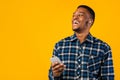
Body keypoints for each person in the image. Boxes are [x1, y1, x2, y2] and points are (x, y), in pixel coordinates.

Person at [49, 5, 114, 80]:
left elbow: (108, 77)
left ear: (90, 21)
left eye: (80, 15)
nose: (74, 18)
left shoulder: (103, 48)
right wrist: (55, 75)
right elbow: (51, 76)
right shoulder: (59, 46)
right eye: (73, 15)